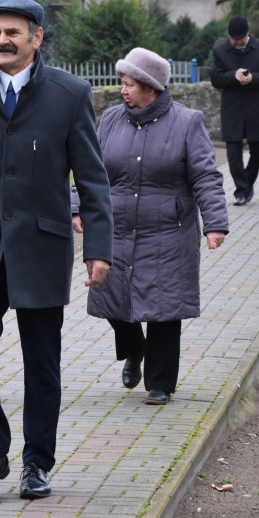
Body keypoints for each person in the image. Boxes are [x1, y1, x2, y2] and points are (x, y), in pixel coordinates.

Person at [0, 0, 113, 499]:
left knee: (41, 363)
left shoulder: (70, 93)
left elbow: (93, 179)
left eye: (12, 32)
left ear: (36, 37)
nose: (2, 41)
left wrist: (99, 248)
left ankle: (37, 462)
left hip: (41, 249)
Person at [74, 48, 229, 405]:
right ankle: (134, 350)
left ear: (150, 86)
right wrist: (77, 206)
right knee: (113, 298)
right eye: (122, 83)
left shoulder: (187, 122)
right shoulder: (111, 119)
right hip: (116, 227)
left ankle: (160, 382)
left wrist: (214, 223)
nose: (122, 90)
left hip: (168, 231)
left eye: (129, 84)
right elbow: (88, 169)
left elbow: (206, 176)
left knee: (163, 306)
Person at [210, 16, 259, 206]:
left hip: (256, 109)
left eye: (240, 38)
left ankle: (246, 184)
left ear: (248, 34)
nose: (237, 42)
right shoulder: (220, 51)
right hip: (232, 110)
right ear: (228, 35)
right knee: (233, 155)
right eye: (234, 39)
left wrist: (252, 79)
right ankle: (241, 191)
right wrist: (234, 76)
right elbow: (216, 79)